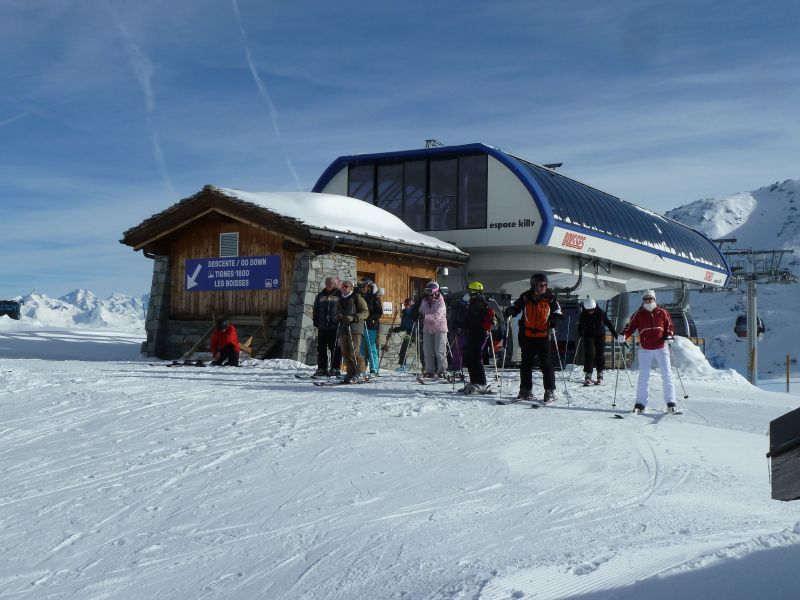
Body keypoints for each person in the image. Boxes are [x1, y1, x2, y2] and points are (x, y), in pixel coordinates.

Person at [505, 273, 562, 402]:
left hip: (543, 337)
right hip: (527, 336)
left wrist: (555, 320)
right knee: (526, 364)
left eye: (545, 285)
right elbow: (516, 307)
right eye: (541, 285)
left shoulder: (550, 298)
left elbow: (558, 312)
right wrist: (511, 311)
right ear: (534, 285)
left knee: (546, 365)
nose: (544, 287)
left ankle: (549, 391)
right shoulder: (526, 297)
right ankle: (525, 390)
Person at [618, 289, 677, 413]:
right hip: (645, 348)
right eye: (645, 299)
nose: (648, 301)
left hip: (661, 347)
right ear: (643, 300)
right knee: (643, 376)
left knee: (667, 374)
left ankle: (671, 402)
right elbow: (630, 327)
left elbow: (669, 325)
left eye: (650, 298)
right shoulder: (638, 314)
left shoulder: (662, 312)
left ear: (654, 299)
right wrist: (624, 335)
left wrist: (669, 335)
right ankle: (640, 403)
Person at [461, 281, 495, 394]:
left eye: (470, 291)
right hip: (473, 333)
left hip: (477, 333)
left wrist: (462, 324)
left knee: (475, 358)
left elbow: (473, 321)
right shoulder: (476, 302)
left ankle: (481, 383)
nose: (468, 293)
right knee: (470, 357)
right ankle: (474, 380)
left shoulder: (478, 304)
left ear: (473, 291)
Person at [577, 297, 618, 386]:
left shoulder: (600, 312)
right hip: (588, 334)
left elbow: (609, 323)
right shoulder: (584, 313)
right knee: (589, 353)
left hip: (600, 334)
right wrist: (580, 333)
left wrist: (615, 335)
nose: (590, 312)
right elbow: (580, 324)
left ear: (594, 308)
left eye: (592, 310)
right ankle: (588, 373)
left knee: (600, 352)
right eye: (588, 311)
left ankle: (600, 372)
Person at [336, 281, 370, 383]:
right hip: (343, 328)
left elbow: (365, 312)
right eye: (342, 286)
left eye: (346, 286)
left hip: (355, 328)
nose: (343, 288)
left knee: (354, 352)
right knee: (345, 353)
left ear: (351, 288)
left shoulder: (357, 298)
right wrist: (337, 317)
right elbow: (337, 311)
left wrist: (353, 317)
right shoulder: (339, 299)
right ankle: (351, 372)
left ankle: (361, 372)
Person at [312, 276, 342, 377]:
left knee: (335, 348)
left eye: (330, 283)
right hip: (322, 326)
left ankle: (335, 368)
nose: (328, 284)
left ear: (334, 284)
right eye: (327, 283)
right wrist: (315, 320)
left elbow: (343, 308)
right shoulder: (320, 295)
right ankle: (322, 368)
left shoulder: (339, 294)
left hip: (335, 326)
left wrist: (341, 319)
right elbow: (315, 309)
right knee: (321, 348)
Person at [418, 281, 448, 378]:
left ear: (436, 293)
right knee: (427, 351)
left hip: (440, 329)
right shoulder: (424, 301)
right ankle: (430, 370)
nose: (429, 297)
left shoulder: (441, 302)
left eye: (431, 295)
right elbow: (421, 311)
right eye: (428, 295)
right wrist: (418, 315)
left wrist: (424, 317)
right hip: (427, 329)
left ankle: (442, 370)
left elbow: (437, 317)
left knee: (439, 351)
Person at [359, 278, 383, 376]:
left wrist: (370, 318)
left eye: (364, 286)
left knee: (371, 346)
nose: (362, 288)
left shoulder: (373, 297)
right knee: (360, 347)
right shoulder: (358, 296)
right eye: (361, 287)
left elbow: (379, 312)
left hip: (371, 324)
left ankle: (374, 368)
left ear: (369, 287)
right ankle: (361, 368)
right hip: (360, 324)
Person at [394, 298, 416, 371]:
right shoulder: (404, 313)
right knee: (404, 348)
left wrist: (404, 311)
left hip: (416, 332)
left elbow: (412, 314)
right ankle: (403, 365)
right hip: (409, 332)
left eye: (406, 304)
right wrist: (395, 329)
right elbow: (403, 327)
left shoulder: (413, 311)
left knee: (421, 349)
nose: (405, 306)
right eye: (404, 305)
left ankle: (427, 366)